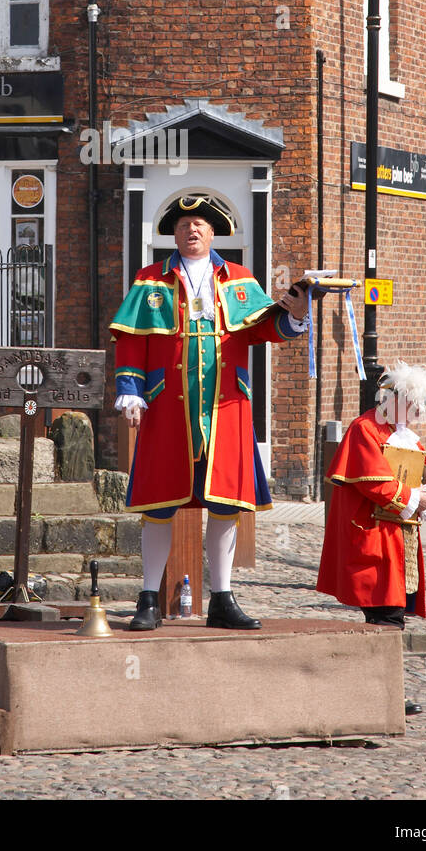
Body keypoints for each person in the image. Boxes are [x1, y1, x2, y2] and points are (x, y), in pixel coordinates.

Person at [110, 193, 309, 631]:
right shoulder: (151, 280)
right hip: (167, 408)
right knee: (159, 504)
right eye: (183, 225)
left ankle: (222, 598)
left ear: (214, 232)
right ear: (174, 234)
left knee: (226, 504)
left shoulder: (238, 278)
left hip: (226, 409)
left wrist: (294, 316)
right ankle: (148, 599)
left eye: (200, 224)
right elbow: (131, 340)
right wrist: (130, 389)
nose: (192, 230)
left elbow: (262, 329)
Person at [316, 361, 426, 714]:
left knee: (391, 616)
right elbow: (374, 481)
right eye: (413, 407)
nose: (417, 416)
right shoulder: (364, 429)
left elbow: (422, 475)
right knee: (384, 616)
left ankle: (381, 692)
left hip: (398, 538)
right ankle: (381, 695)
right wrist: (414, 498)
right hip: (372, 537)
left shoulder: (405, 436)